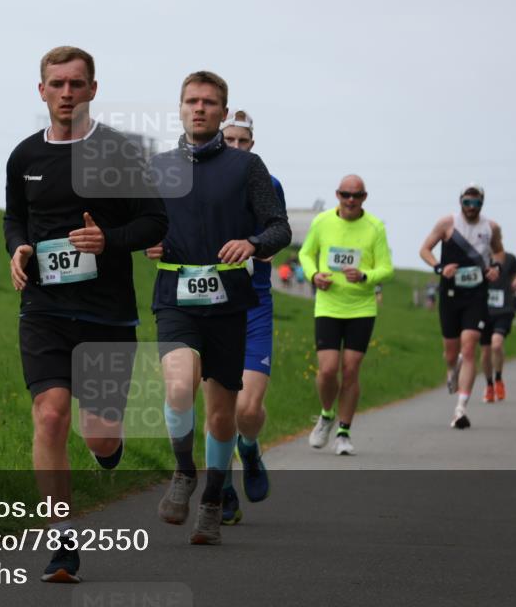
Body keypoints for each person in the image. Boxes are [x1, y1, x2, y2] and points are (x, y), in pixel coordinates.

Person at [4, 46, 168, 582]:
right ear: (42, 90)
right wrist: (19, 249)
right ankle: (61, 540)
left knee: (98, 435)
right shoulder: (24, 157)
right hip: (45, 308)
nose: (66, 93)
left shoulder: (120, 153)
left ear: (93, 89)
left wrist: (109, 241)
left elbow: (154, 223)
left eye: (77, 84)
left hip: (107, 316)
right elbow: (14, 219)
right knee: (50, 415)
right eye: (57, 84)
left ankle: (109, 448)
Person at [148, 72, 290, 545]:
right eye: (192, 101)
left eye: (210, 102)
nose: (200, 108)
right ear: (181, 108)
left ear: (224, 112)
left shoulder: (247, 168)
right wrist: (147, 240)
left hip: (230, 304)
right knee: (179, 383)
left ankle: (211, 500)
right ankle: (184, 471)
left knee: (222, 415)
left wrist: (251, 242)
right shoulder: (160, 166)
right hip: (176, 299)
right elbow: (138, 224)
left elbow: (279, 228)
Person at [216, 108, 285, 525]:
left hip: (254, 303)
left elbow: (276, 238)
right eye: (230, 141)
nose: (237, 148)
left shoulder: (267, 184)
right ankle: (221, 486)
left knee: (247, 408)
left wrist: (251, 245)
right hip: (209, 304)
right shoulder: (199, 182)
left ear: (252, 146)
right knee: (219, 406)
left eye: (243, 142)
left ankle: (250, 446)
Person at [301, 175, 393, 455]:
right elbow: (306, 254)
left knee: (351, 370)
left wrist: (365, 275)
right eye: (345, 194)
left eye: (356, 195)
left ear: (365, 197)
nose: (350, 200)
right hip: (328, 305)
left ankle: (343, 431)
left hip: (361, 308)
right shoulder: (322, 222)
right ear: (337, 195)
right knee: (328, 370)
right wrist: (314, 275)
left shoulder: (375, 227)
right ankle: (327, 413)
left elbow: (386, 269)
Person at [419, 184, 504, 429]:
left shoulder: (491, 227)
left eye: (476, 203)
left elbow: (499, 252)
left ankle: (460, 409)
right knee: (451, 351)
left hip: (476, 294)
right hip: (450, 293)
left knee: (469, 349)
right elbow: (424, 249)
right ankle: (450, 370)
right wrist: (439, 267)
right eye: (467, 202)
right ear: (460, 202)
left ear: (482, 204)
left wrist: (495, 268)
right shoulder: (447, 224)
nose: (471, 208)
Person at [480, 250, 516, 403]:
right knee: (485, 352)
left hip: (504, 310)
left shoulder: (510, 259)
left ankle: (498, 379)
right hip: (483, 311)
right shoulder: (479, 257)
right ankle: (489, 385)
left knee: (496, 345)